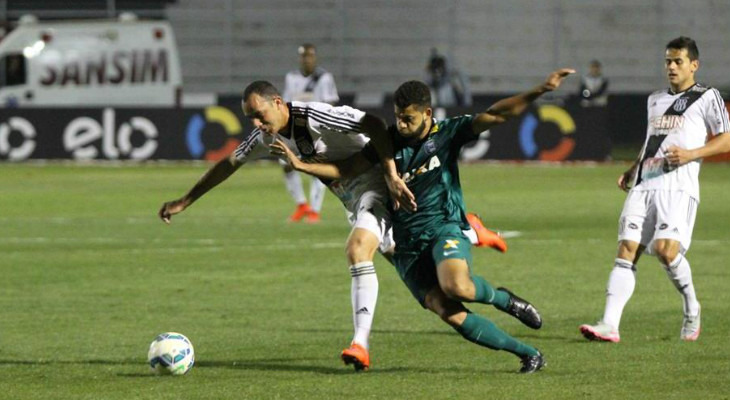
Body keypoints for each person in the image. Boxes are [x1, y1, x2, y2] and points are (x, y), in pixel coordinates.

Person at [158, 80, 497, 372]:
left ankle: (360, 344)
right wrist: (186, 200)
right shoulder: (267, 136)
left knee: (357, 250)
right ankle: (469, 230)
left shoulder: (315, 115)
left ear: (278, 103)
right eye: (251, 119)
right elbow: (228, 163)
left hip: (377, 188)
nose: (257, 123)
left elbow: (376, 125)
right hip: (358, 201)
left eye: (260, 114)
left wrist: (391, 175)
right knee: (428, 285)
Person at [272, 69, 575, 373]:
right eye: (398, 117)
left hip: (443, 227)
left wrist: (540, 90)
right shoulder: (387, 142)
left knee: (456, 286)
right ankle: (528, 353)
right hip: (405, 247)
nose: (401, 125)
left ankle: (504, 299)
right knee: (449, 312)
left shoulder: (447, 133)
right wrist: (300, 165)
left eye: (409, 119)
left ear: (427, 113)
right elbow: (345, 170)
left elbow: (497, 114)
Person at [579, 37, 730, 343]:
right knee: (627, 250)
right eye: (667, 61)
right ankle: (609, 324)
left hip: (678, 186)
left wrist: (691, 154)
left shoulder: (707, 96)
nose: (671, 67)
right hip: (646, 183)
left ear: (694, 65)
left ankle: (691, 307)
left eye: (678, 61)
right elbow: (652, 140)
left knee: (665, 251)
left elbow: (726, 139)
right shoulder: (655, 99)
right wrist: (634, 168)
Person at [281, 44, 340, 223]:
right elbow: (285, 103)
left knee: (316, 166)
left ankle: (315, 210)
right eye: (303, 56)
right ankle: (301, 205)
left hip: (316, 129)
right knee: (286, 163)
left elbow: (331, 104)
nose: (307, 59)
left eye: (310, 56)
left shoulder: (324, 78)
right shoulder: (291, 78)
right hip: (294, 129)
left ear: (315, 57)